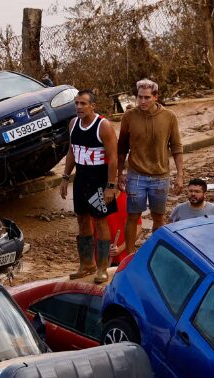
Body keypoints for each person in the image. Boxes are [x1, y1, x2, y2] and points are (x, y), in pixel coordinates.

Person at [117, 78, 184, 254]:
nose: (143, 101)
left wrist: (180, 175)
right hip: (136, 175)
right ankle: (130, 256)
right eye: (140, 97)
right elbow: (122, 147)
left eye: (147, 97)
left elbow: (176, 147)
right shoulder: (129, 117)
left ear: (156, 97)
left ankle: (156, 253)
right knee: (132, 216)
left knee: (159, 217)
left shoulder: (169, 117)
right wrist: (120, 173)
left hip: (160, 176)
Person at [60, 89, 119, 283]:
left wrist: (111, 186)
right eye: (76, 103)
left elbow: (113, 159)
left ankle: (102, 268)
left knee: (100, 221)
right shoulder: (73, 124)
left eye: (83, 103)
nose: (78, 107)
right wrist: (65, 177)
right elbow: (72, 151)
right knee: (82, 219)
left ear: (92, 105)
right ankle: (87, 264)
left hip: (99, 182)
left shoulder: (103, 126)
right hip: (81, 180)